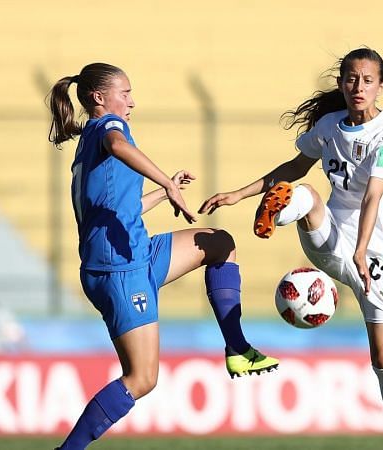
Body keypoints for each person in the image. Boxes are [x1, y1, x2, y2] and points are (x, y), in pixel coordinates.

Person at [46, 62, 278, 450]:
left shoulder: (89, 145)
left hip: (136, 254)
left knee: (219, 243)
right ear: (99, 99)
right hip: (119, 269)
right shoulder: (108, 129)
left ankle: (237, 347)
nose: (132, 102)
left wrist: (164, 189)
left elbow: (121, 209)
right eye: (126, 93)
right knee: (142, 378)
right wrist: (167, 183)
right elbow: (119, 145)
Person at [199, 47, 383, 450]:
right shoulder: (329, 127)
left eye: (368, 80)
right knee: (308, 193)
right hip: (330, 238)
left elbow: (374, 198)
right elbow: (294, 167)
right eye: (351, 78)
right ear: (341, 82)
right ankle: (277, 215)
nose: (358, 87)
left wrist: (362, 251)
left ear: (382, 87)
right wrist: (238, 195)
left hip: (377, 254)